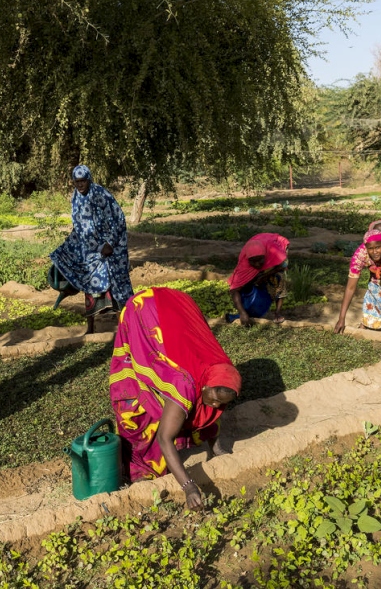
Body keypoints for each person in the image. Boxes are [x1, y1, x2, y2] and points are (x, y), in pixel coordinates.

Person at [110, 287, 242, 510]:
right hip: (143, 312)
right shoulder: (183, 385)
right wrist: (189, 486)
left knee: (197, 407)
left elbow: (216, 400)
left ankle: (208, 440)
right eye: (215, 397)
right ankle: (140, 469)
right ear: (206, 386)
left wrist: (216, 445)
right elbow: (164, 439)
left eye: (223, 402)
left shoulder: (219, 369)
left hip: (175, 306)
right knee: (137, 401)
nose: (217, 405)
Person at [50, 165, 134, 316]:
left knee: (119, 281)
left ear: (89, 179)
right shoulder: (76, 197)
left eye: (83, 181)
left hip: (111, 245)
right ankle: (92, 325)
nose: (80, 184)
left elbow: (118, 219)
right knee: (89, 279)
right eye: (77, 181)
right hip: (92, 248)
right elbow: (79, 224)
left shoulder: (101, 194)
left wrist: (109, 243)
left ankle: (127, 319)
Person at [226, 233, 289, 325]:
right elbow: (235, 290)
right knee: (247, 284)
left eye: (260, 260)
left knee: (279, 277)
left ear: (265, 256)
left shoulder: (274, 252)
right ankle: (249, 310)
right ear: (248, 260)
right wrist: (242, 313)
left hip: (272, 263)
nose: (257, 264)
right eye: (253, 261)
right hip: (258, 278)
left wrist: (265, 275)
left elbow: (284, 265)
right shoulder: (244, 265)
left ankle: (277, 312)